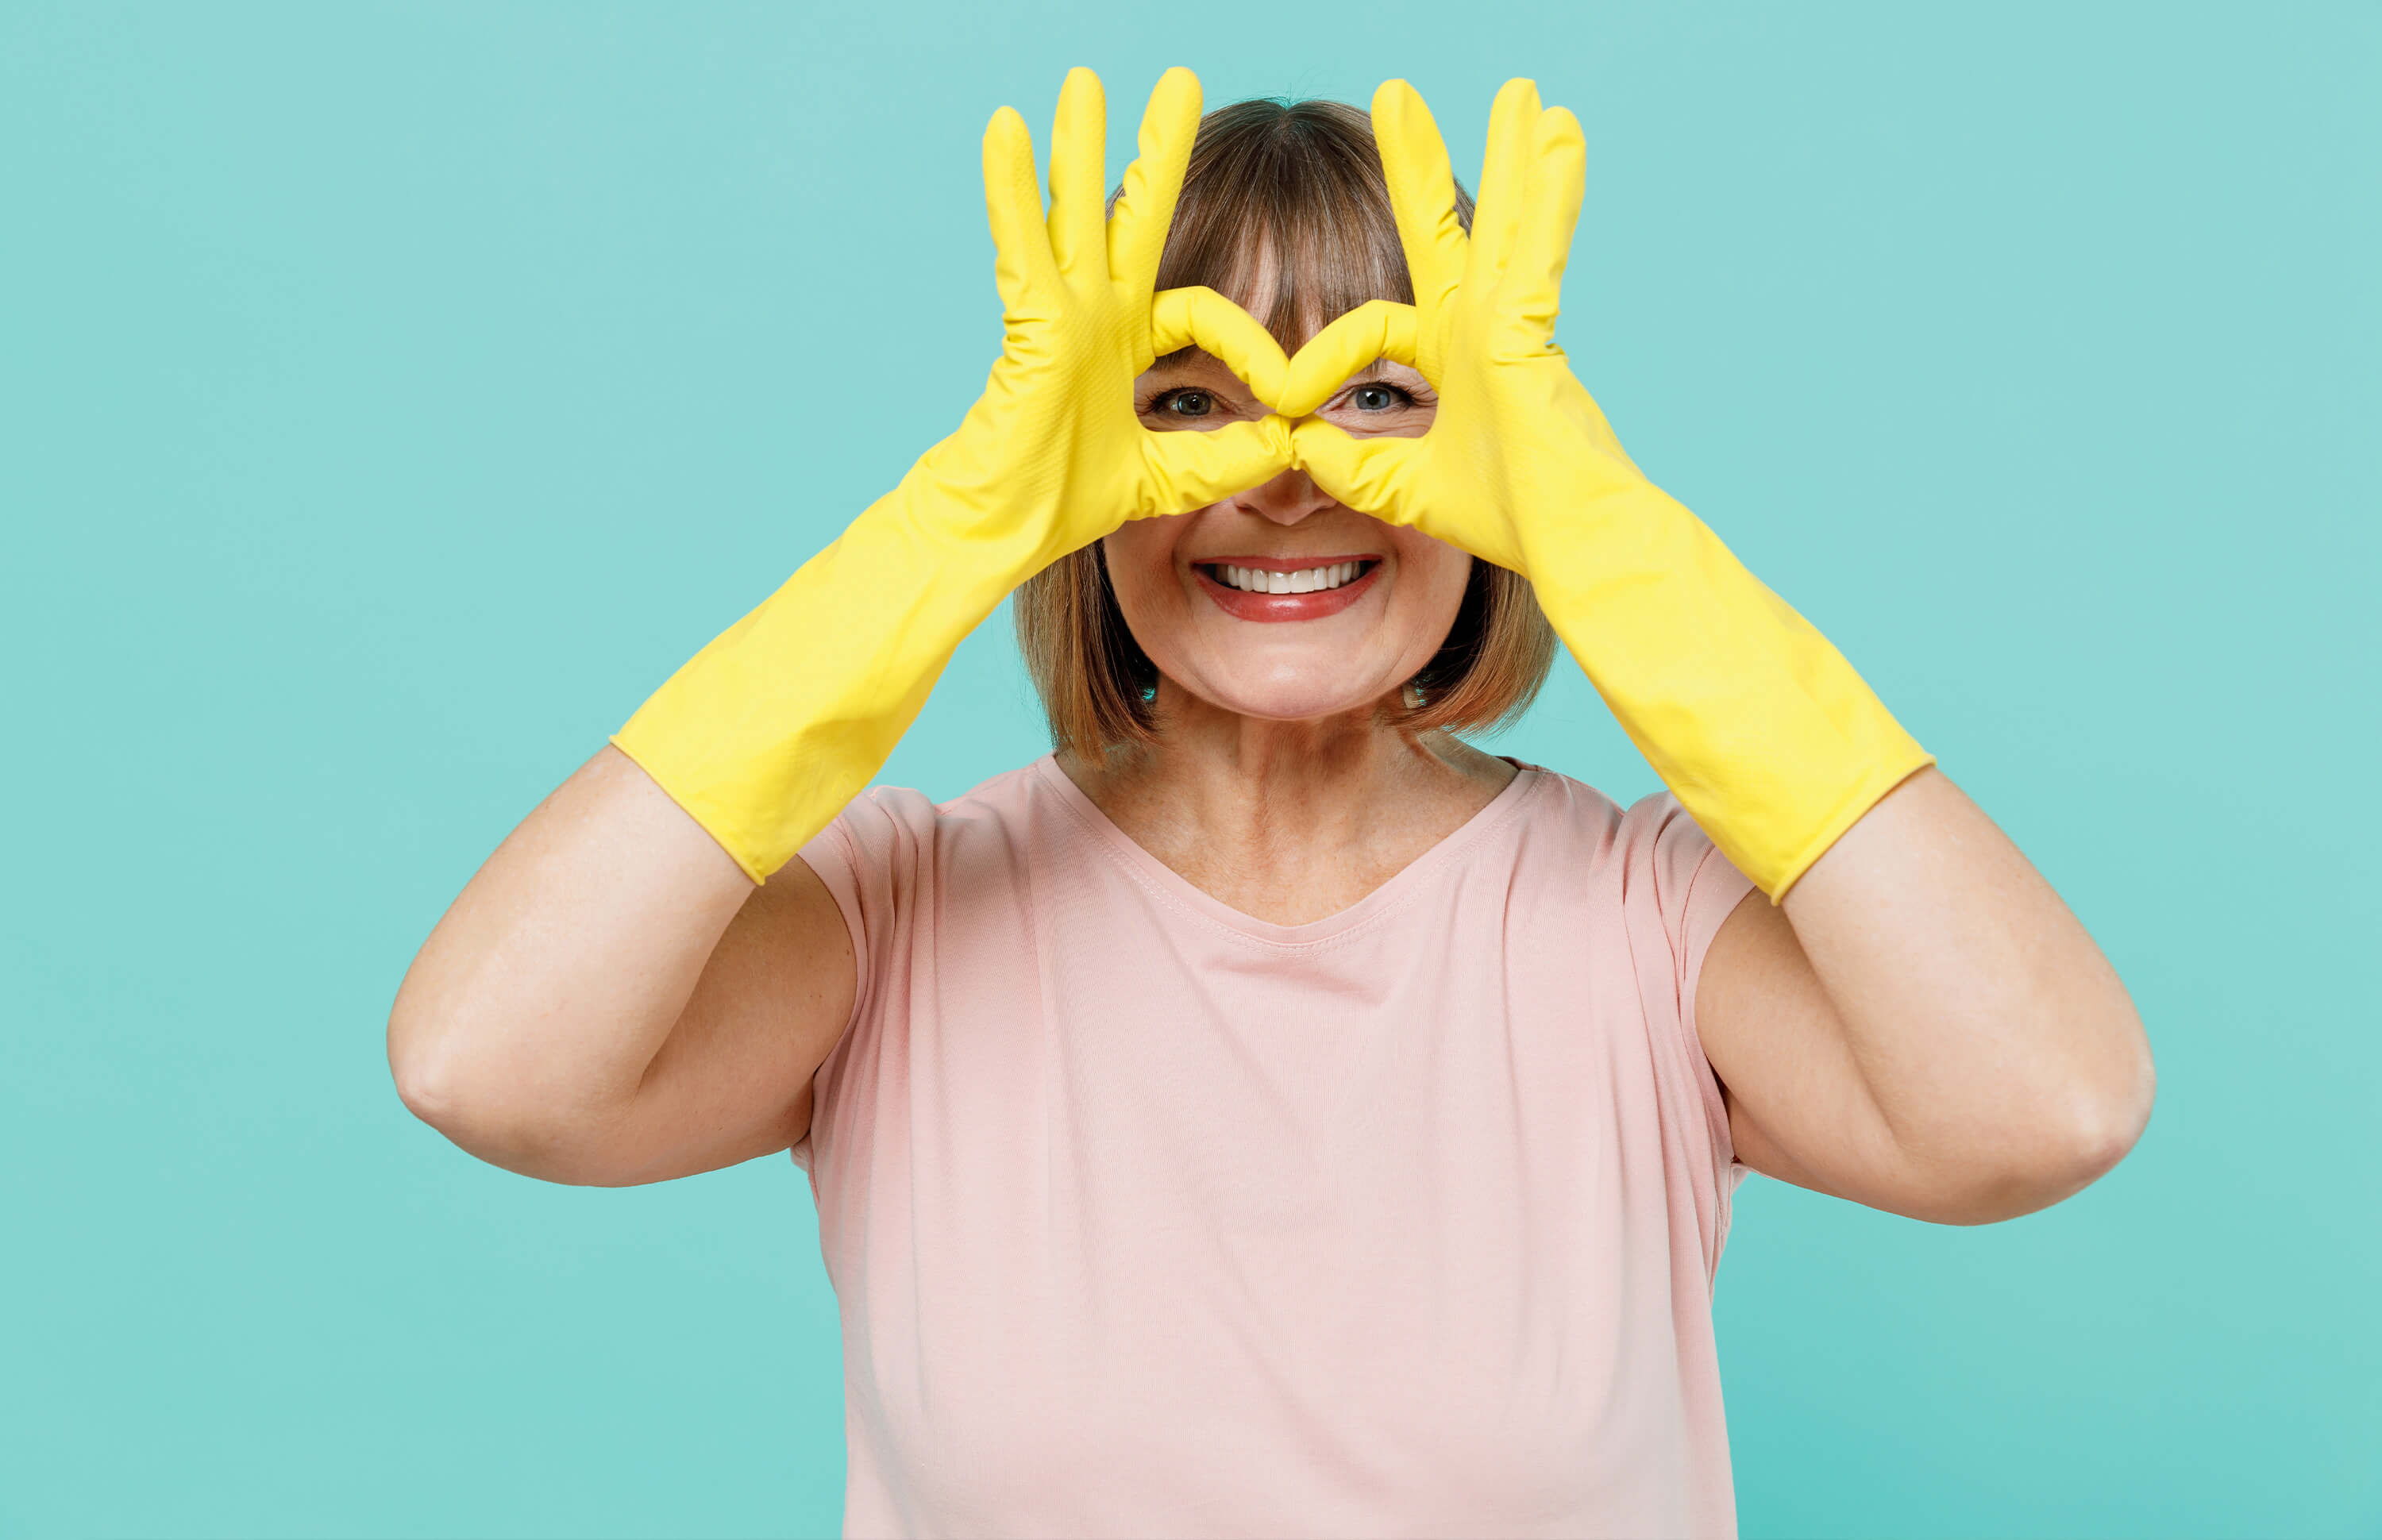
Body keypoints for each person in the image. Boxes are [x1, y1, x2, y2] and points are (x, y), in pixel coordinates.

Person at [387, 67, 2156, 1539]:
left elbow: (2050, 1102)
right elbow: (485, 1060)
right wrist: (947, 529)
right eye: (1191, 401)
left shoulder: (1644, 926)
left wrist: (1614, 541)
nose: (1290, 478)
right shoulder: (904, 915)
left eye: (1381, 398)